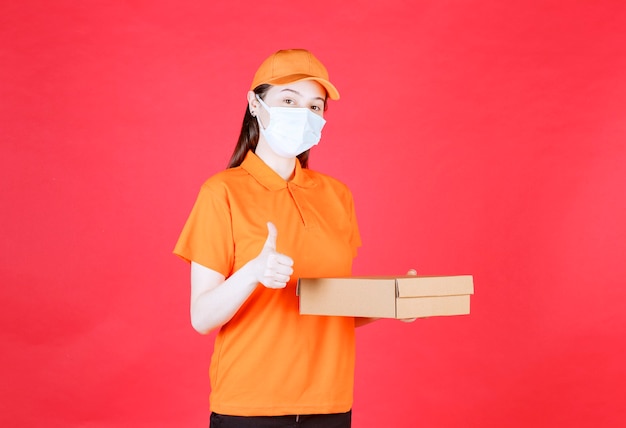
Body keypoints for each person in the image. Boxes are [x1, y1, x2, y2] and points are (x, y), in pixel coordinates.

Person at [174, 49, 413, 428]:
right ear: (255, 103)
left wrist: (394, 302)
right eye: (289, 100)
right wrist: (252, 273)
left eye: (315, 107)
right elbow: (202, 318)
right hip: (251, 406)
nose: (304, 115)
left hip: (330, 402)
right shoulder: (222, 192)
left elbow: (330, 307)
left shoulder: (337, 196)